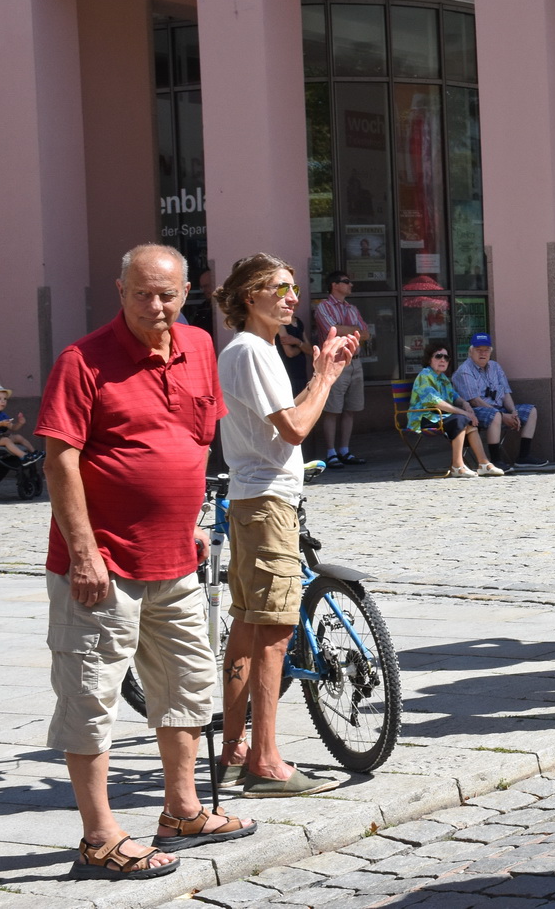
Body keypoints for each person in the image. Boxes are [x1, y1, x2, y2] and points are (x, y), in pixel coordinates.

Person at [36, 244, 255, 879]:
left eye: (166, 294)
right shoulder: (83, 360)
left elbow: (193, 442)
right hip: (102, 566)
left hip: (176, 561)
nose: (154, 306)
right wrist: (84, 554)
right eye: (141, 294)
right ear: (120, 290)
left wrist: (188, 524)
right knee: (90, 696)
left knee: (186, 687)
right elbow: (60, 461)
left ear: (186, 293)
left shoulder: (200, 348)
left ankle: (182, 811)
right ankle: (99, 837)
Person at [209, 253, 358, 797]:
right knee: (274, 629)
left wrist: (326, 376)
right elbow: (296, 429)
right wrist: (323, 377)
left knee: (249, 627)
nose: (293, 296)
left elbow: (281, 418)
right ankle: (266, 763)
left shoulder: (255, 350)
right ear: (251, 296)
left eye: (294, 287)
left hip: (257, 499)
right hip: (267, 501)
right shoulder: (250, 349)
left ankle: (233, 751)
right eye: (280, 287)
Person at [453, 334, 547, 470]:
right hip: (476, 412)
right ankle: (496, 460)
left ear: (490, 352)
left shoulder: (495, 367)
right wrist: (502, 416)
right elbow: (475, 401)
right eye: (478, 350)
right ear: (470, 351)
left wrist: (513, 412)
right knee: (495, 416)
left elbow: (505, 394)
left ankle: (524, 456)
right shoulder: (464, 370)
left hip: (500, 409)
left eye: (486, 350)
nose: (482, 353)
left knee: (531, 411)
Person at [409, 342, 501, 477]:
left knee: (467, 421)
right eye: (438, 356)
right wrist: (464, 412)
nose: (443, 360)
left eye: (446, 358)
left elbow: (454, 396)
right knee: (461, 419)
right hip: (424, 418)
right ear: (429, 359)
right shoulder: (425, 375)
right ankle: (457, 466)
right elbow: (436, 402)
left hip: (440, 416)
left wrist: (466, 405)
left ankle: (483, 463)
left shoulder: (443, 378)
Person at [312, 272, 370, 467]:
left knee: (351, 409)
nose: (350, 285)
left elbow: (366, 334)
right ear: (334, 285)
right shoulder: (323, 307)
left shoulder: (352, 308)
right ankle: (331, 452)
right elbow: (332, 330)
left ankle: (344, 450)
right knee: (332, 409)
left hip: (355, 362)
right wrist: (353, 329)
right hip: (334, 362)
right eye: (346, 282)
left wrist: (347, 328)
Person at [0, 383, 40, 462]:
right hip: (2, 439)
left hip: (1, 436)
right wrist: (1, 424)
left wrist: (20, 423)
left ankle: (33, 453)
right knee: (6, 440)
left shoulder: (3, 415)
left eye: (5, 399)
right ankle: (24, 457)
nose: (3, 401)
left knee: (18, 437)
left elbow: (12, 427)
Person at [275, 311, 311, 395]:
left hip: (301, 374)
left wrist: (297, 342)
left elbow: (310, 351)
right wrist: (302, 346)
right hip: (287, 374)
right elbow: (290, 353)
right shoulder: (281, 324)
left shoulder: (299, 322)